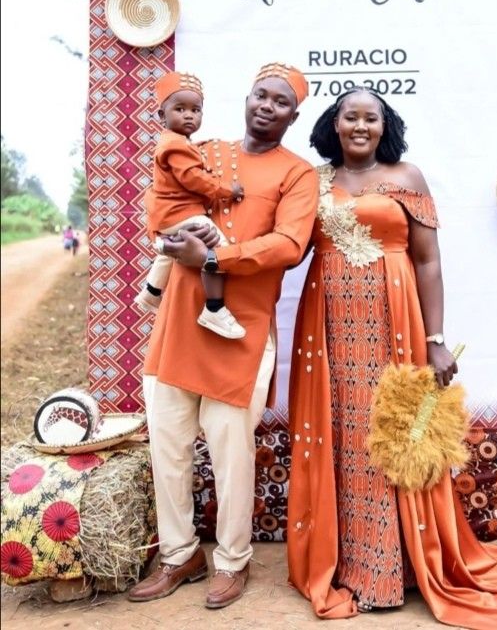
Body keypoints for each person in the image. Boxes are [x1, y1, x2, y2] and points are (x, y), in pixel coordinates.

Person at [287, 87, 497, 630]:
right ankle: (350, 565)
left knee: (396, 432)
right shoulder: (312, 182)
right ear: (332, 124)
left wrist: (435, 338)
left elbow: (428, 262)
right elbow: (284, 246)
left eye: (371, 118)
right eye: (350, 117)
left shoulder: (408, 176)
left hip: (396, 321)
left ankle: (399, 567)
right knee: (342, 435)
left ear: (385, 125)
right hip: (328, 326)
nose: (360, 126)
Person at [129, 63, 319, 611]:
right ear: (247, 98)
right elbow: (161, 205)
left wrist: (215, 257)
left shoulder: (297, 173)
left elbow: (289, 245)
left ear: (293, 116)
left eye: (280, 102)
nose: (267, 106)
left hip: (241, 331)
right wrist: (173, 245)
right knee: (168, 450)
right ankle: (179, 553)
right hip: (178, 328)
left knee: (233, 456)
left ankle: (232, 561)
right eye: (261, 95)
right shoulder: (203, 152)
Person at [134, 71, 246, 340]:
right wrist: (227, 190)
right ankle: (214, 308)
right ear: (162, 116)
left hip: (169, 214)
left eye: (196, 110)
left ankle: (151, 292)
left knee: (167, 255)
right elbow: (194, 179)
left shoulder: (179, 142)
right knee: (219, 251)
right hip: (181, 213)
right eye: (180, 109)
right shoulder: (176, 146)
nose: (189, 115)